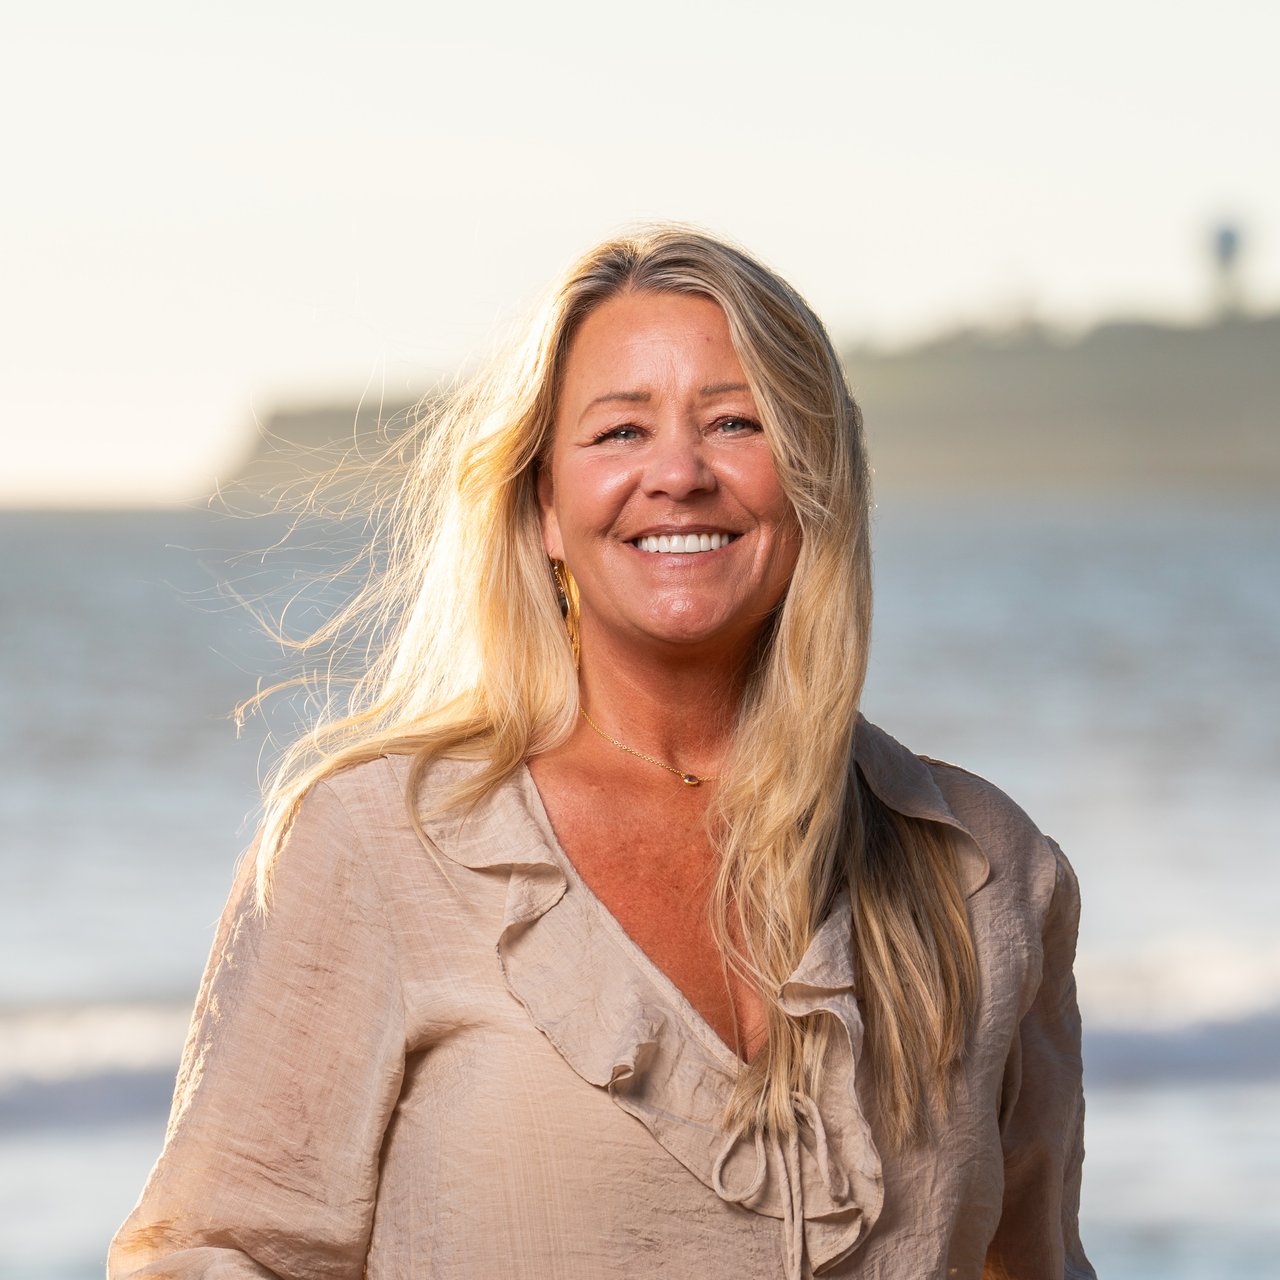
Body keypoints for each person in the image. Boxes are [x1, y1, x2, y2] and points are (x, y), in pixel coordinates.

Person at [109, 224, 1093, 1279]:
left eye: (735, 421)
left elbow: (1034, 1265)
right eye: (620, 430)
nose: (678, 473)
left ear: (816, 479)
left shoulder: (986, 870)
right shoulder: (375, 841)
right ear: (542, 503)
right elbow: (208, 1254)